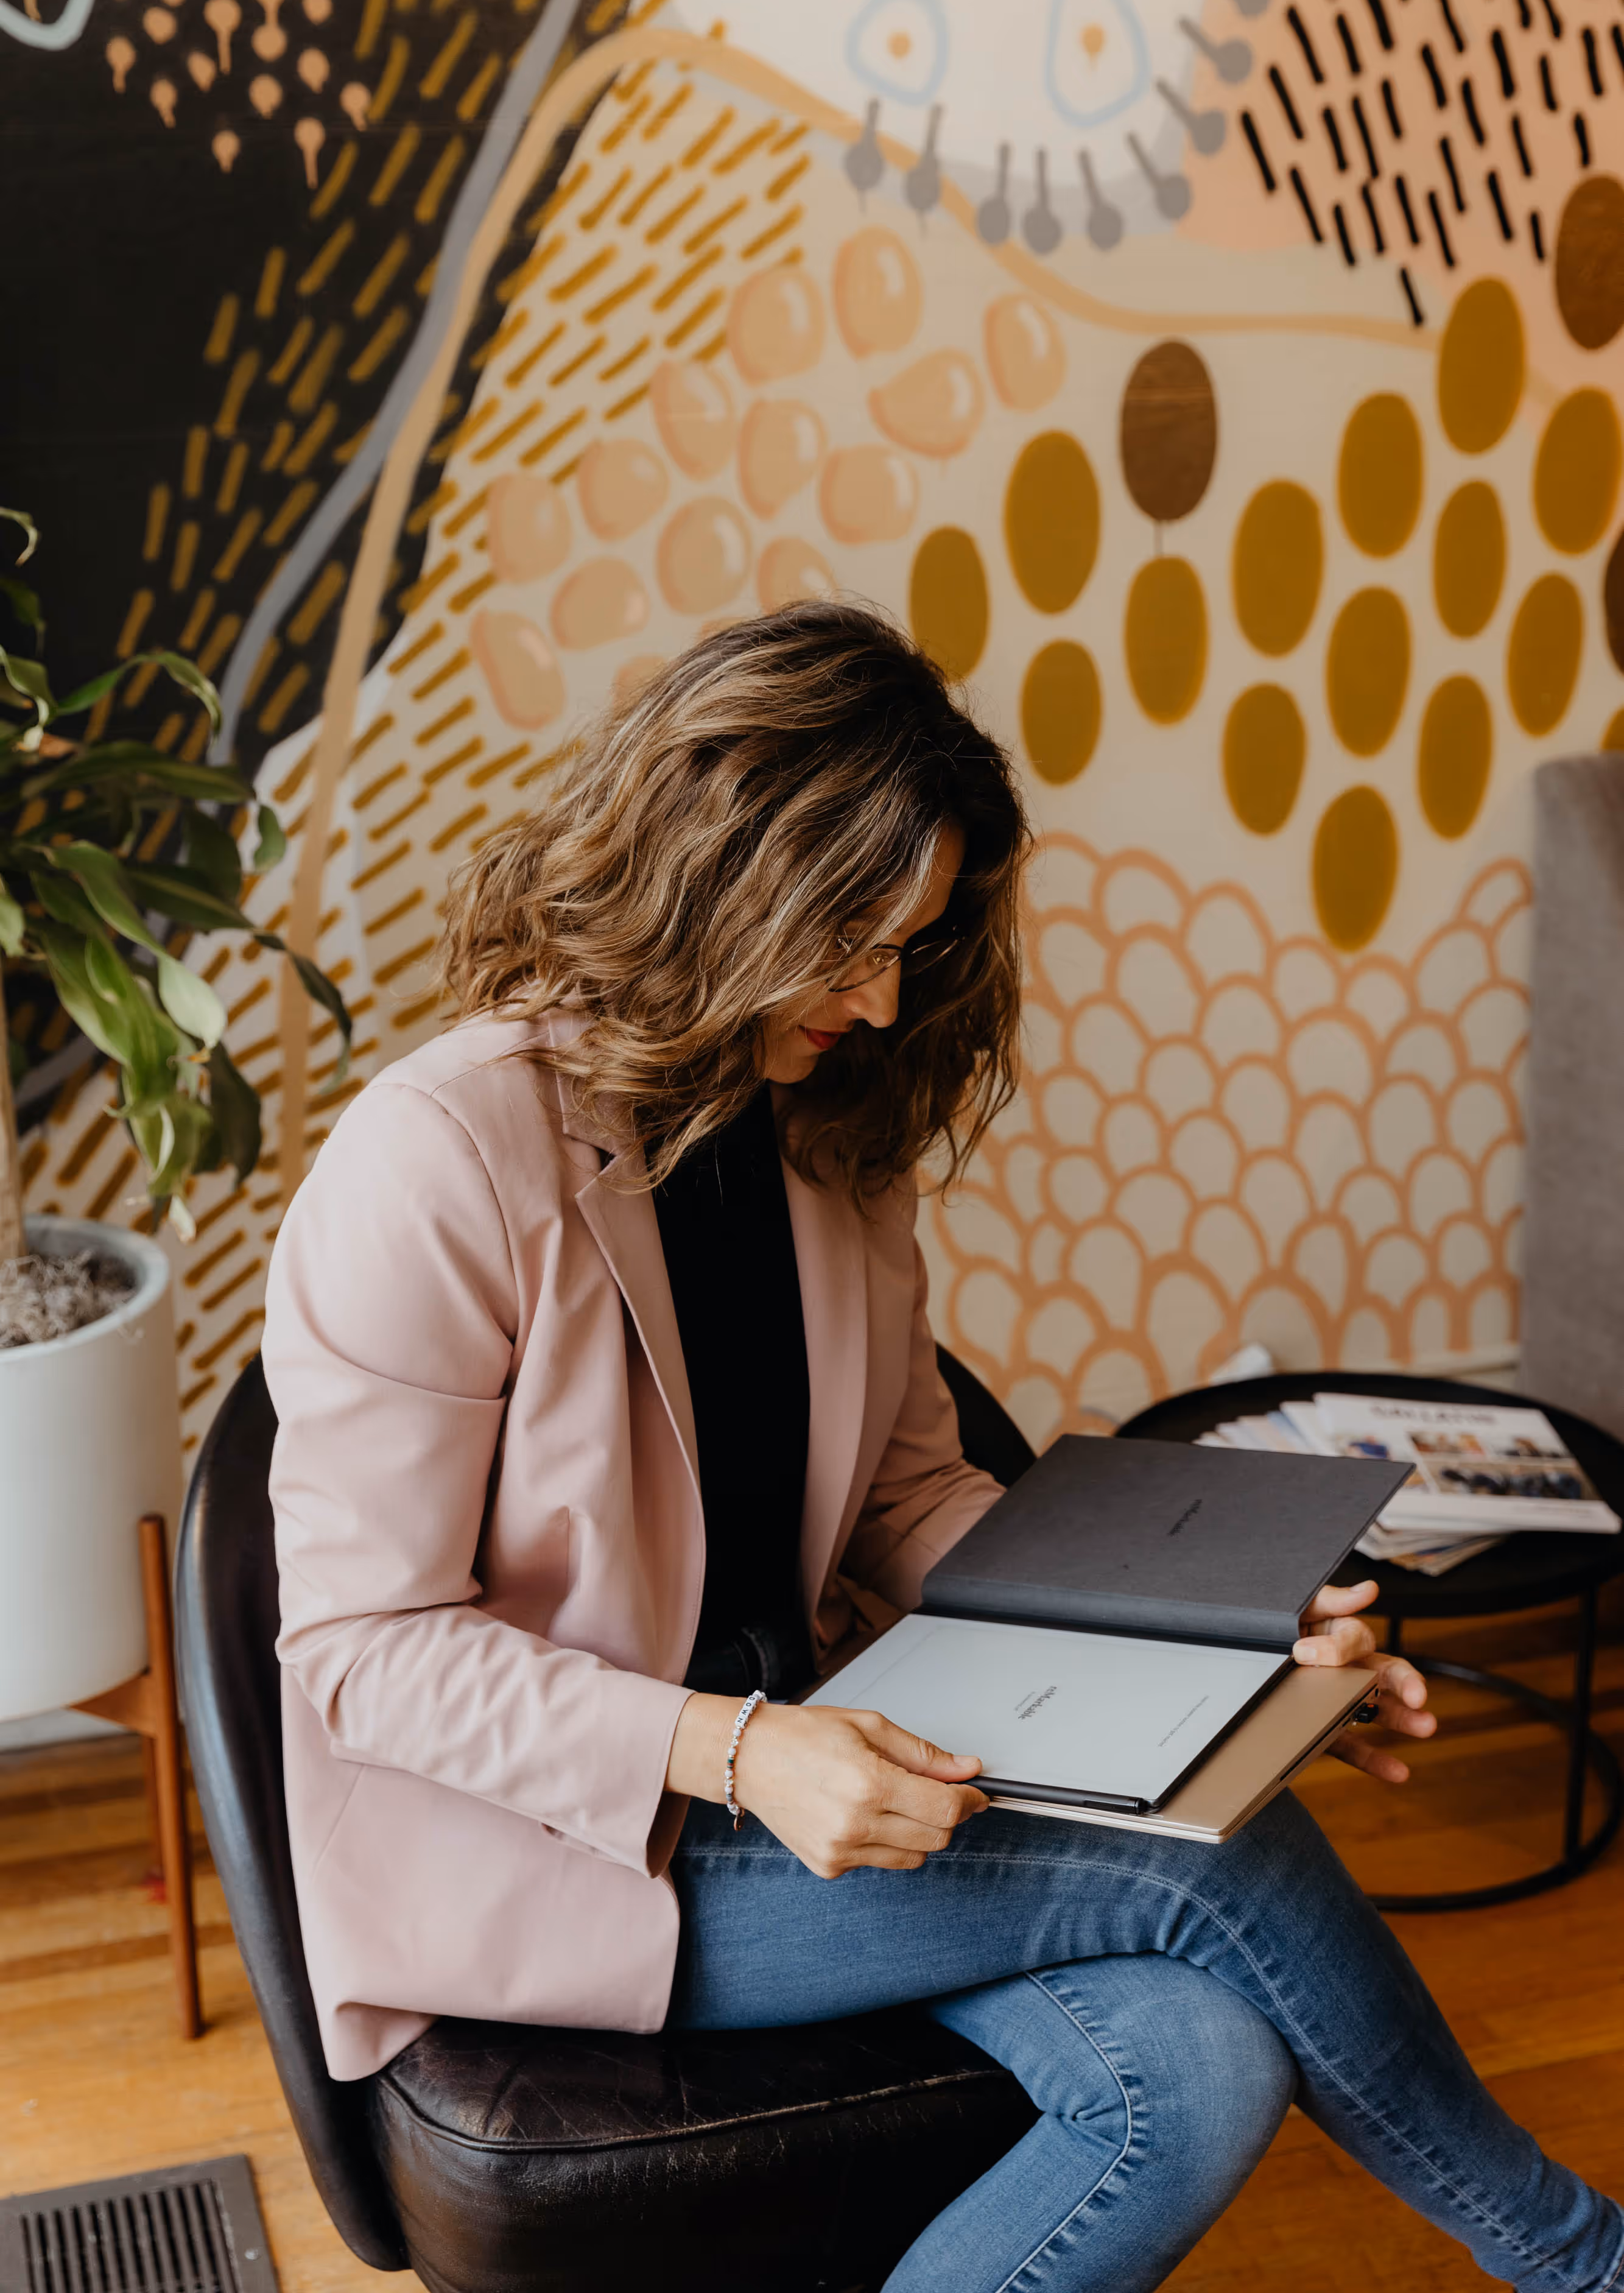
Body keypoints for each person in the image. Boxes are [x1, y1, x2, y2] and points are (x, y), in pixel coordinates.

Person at [262, 601, 1621, 2293]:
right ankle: (1585, 2264)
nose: (885, 995)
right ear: (722, 882)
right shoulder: (438, 1163)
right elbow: (363, 1654)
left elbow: (911, 1498)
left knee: (1192, 2077)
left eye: (911, 944)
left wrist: (1230, 1648)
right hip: (599, 1846)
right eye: (850, 940)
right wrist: (747, 1754)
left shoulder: (832, 1135)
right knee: (1229, 1861)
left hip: (848, 1748)